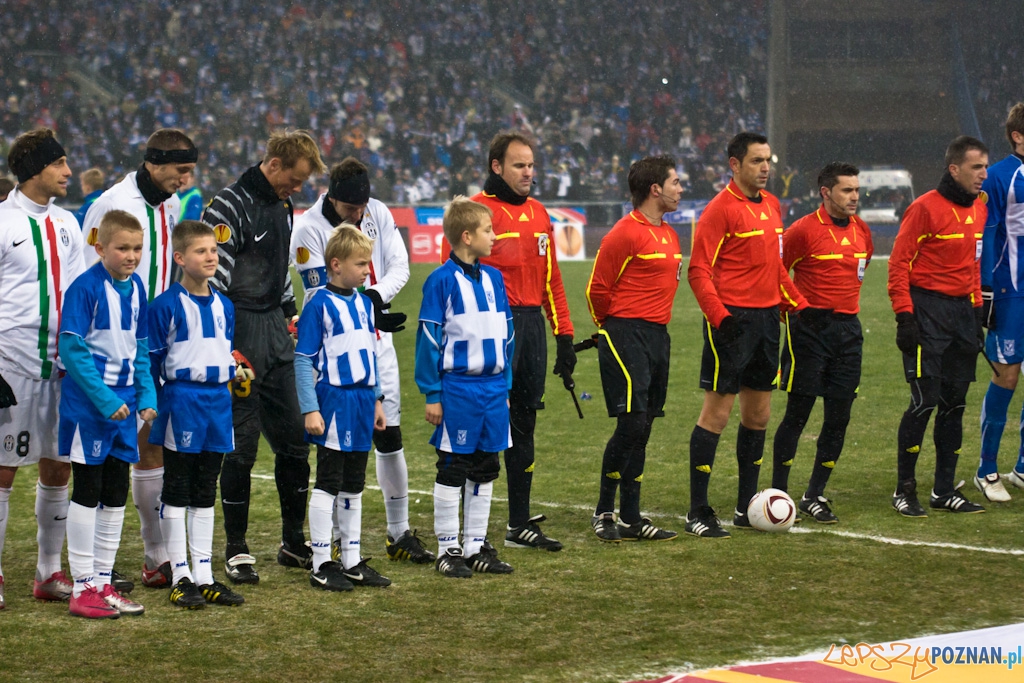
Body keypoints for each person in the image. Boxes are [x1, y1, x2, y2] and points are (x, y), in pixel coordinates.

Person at [290, 157, 433, 565]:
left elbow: (400, 267)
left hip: (376, 347)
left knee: (390, 436)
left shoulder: (379, 212)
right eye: (352, 209)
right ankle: (336, 542)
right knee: (338, 454)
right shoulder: (308, 230)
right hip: (334, 354)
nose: (360, 215)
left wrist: (372, 299)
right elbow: (321, 294)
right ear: (332, 198)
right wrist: (362, 306)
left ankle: (398, 532)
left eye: (363, 208)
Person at [203, 130, 326, 584]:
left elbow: (281, 270)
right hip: (239, 330)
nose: (296, 189)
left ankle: (293, 541)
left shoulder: (283, 205)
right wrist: (224, 347)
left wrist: (291, 316)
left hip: (275, 330)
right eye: (292, 179)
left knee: (296, 438)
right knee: (241, 446)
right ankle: (236, 549)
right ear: (273, 163)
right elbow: (212, 280)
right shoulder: (227, 207)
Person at [81, 128, 197, 591]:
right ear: (154, 161)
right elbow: (82, 277)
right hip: (109, 349)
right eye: (180, 170)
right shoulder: (110, 203)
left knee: (151, 446)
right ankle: (87, 568)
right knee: (98, 458)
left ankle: (155, 559)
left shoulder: (170, 208)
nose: (185, 179)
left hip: (153, 345)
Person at [685, 132, 809, 538]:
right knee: (717, 416)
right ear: (734, 165)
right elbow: (698, 270)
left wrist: (797, 305)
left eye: (768, 160)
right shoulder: (719, 210)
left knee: (758, 417)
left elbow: (774, 267)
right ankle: (698, 511)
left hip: (767, 320)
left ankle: (746, 506)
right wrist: (720, 317)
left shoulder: (772, 205)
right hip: (731, 322)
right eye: (756, 161)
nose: (765, 168)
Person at [472, 132, 575, 552]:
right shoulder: (476, 212)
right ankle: (470, 528)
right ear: (497, 166)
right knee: (485, 425)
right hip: (492, 327)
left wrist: (564, 334)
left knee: (525, 424)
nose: (528, 172)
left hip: (531, 328)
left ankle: (518, 524)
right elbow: (455, 279)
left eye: (531, 164)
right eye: (519, 165)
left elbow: (551, 279)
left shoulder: (538, 213)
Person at [0, 129, 86, 611]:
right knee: (3, 471)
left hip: (60, 370)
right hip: (9, 366)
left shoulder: (69, 225)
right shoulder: (0, 221)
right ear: (35, 169)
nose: (68, 172)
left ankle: (49, 572)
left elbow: (75, 295)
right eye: (60, 164)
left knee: (58, 467)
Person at [58, 209, 157, 618]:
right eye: (122, 248)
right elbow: (72, 349)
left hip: (125, 406)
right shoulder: (85, 288)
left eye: (137, 248)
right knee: (89, 488)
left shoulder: (137, 289)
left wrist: (146, 395)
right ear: (100, 248)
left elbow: (141, 348)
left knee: (116, 491)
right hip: (91, 405)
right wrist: (103, 399)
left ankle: (102, 581)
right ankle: (81, 586)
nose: (131, 256)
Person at [888, 135, 989, 517]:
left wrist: (977, 311)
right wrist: (904, 316)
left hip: (962, 315)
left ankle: (944, 490)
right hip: (927, 312)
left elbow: (974, 264)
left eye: (984, 166)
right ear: (954, 169)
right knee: (924, 401)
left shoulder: (980, 207)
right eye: (976, 167)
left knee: (955, 405)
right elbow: (898, 265)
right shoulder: (924, 208)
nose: (983, 174)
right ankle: (904, 490)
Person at [148, 220, 245, 609]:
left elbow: (224, 350)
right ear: (180, 258)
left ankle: (204, 573)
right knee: (178, 486)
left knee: (207, 486)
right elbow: (153, 360)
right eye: (201, 251)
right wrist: (153, 403)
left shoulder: (225, 305)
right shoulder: (165, 306)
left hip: (217, 402)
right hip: (182, 400)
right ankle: (180, 573)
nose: (211, 257)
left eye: (213, 251)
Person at [416, 197, 515, 578]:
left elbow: (507, 332)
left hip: (493, 390)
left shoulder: (494, 279)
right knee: (454, 465)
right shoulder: (441, 281)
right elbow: (429, 338)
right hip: (458, 389)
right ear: (467, 236)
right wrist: (433, 393)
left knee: (488, 465)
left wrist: (504, 384)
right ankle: (447, 548)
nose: (495, 236)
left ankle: (475, 545)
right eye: (489, 230)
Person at [585, 156, 683, 543]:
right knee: (631, 424)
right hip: (625, 334)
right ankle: (603, 511)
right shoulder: (624, 233)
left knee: (644, 428)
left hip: (659, 336)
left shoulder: (670, 235)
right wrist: (612, 330)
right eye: (675, 182)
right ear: (655, 189)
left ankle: (632, 516)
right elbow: (598, 289)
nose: (680, 189)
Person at [771, 162, 874, 523]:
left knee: (839, 417)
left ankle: (815, 494)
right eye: (847, 190)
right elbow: (777, 269)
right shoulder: (802, 230)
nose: (855, 197)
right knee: (798, 415)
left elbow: (863, 267)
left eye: (857, 190)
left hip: (848, 332)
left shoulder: (862, 230)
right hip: (810, 331)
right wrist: (796, 310)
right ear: (826, 192)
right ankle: (777, 494)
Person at [295, 225, 392, 591]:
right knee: (329, 481)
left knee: (354, 481)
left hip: (363, 401)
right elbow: (304, 359)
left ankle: (350, 559)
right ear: (336, 264)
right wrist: (310, 407)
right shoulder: (318, 304)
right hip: (334, 400)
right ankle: (321, 561)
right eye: (361, 263)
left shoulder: (366, 303)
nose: (368, 270)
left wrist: (378, 399)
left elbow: (370, 352)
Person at [976, 102, 1024, 501]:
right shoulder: (999, 177)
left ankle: (1023, 468)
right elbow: (988, 235)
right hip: (1010, 294)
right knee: (1006, 376)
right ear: (1017, 136)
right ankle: (987, 468)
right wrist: (986, 291)